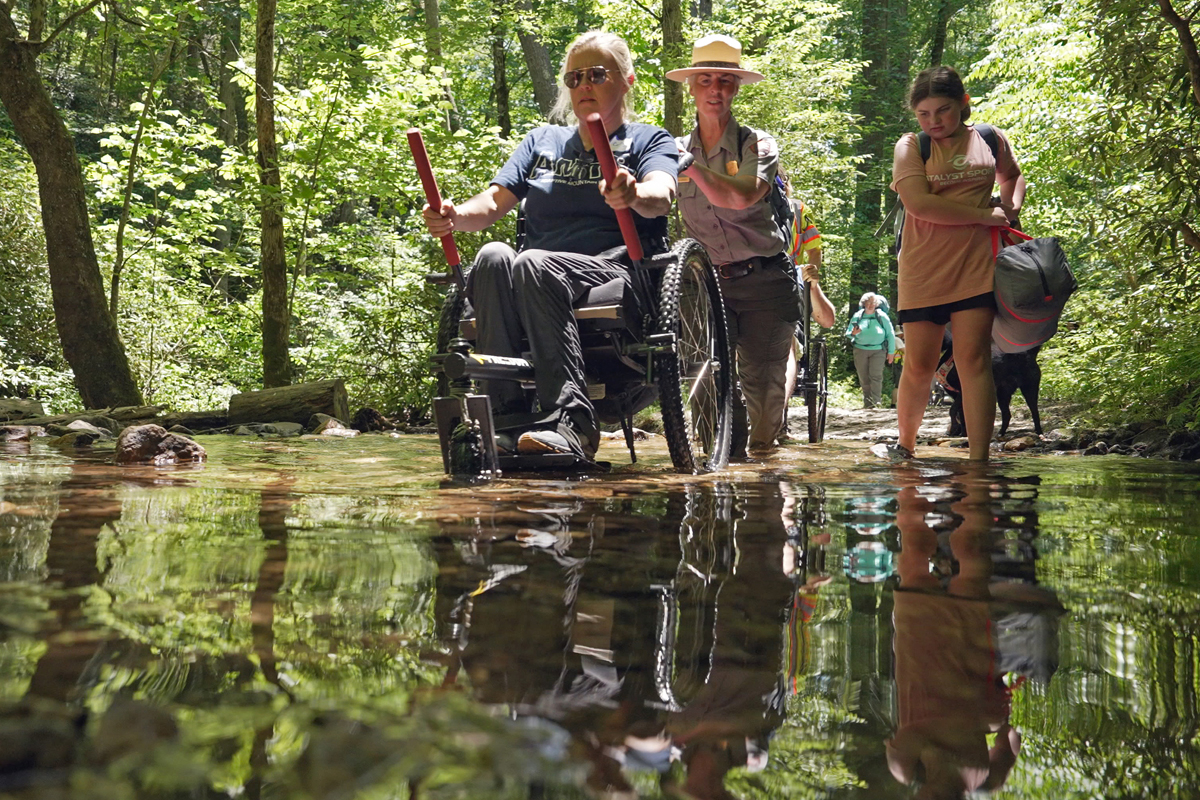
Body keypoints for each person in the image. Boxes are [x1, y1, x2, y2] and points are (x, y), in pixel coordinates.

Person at [421, 31, 678, 462]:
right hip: (536, 271)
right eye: (574, 78)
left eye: (597, 74)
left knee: (533, 264)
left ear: (627, 80)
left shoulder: (649, 139)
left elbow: (662, 194)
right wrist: (453, 215)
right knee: (492, 255)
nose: (584, 86)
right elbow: (492, 203)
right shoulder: (542, 141)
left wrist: (632, 194)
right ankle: (504, 419)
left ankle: (572, 422)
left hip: (612, 269)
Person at [668, 34, 799, 457]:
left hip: (764, 280)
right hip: (705, 287)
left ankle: (762, 485)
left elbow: (743, 194)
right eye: (704, 79)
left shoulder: (757, 144)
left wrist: (694, 171)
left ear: (736, 88)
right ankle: (716, 471)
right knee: (704, 383)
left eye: (725, 80)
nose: (715, 89)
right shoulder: (669, 152)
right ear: (691, 87)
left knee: (762, 384)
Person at [887, 65, 1025, 461]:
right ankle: (906, 447)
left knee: (974, 359)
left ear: (963, 104)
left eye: (943, 111)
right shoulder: (911, 146)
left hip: (976, 266)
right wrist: (985, 216)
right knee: (919, 363)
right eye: (924, 114)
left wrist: (1011, 207)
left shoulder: (989, 138)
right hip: (922, 269)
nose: (934, 122)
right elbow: (919, 204)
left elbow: (1012, 176)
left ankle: (979, 460)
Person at [779, 170, 836, 440]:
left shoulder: (797, 209)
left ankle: (778, 419)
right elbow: (814, 246)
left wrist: (812, 276)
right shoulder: (798, 208)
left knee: (784, 339)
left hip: (790, 277)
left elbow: (814, 249)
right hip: (788, 275)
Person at [845, 292, 897, 408]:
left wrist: (891, 352)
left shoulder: (881, 316)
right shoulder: (858, 316)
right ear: (863, 304)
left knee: (876, 376)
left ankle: (876, 402)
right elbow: (848, 333)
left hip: (878, 350)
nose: (870, 305)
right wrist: (853, 333)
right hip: (860, 350)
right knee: (864, 377)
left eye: (873, 302)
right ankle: (868, 403)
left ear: (877, 304)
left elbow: (890, 334)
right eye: (868, 302)